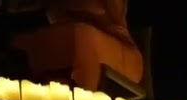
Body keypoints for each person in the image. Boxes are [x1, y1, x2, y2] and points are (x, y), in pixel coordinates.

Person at [11, 0, 143, 92]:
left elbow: (104, 11)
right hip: (67, 45)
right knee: (20, 43)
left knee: (82, 38)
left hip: (120, 50)